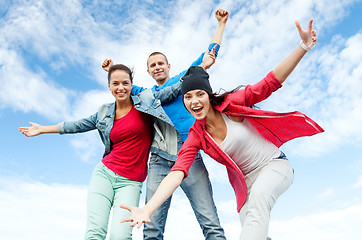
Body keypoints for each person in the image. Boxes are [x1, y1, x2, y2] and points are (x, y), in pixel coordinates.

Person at [119, 19, 324, 240]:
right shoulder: (196, 135)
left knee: (257, 207)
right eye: (187, 97)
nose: (194, 101)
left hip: (275, 165)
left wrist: (303, 47)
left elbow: (269, 83)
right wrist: (148, 209)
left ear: (209, 94)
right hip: (245, 183)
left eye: (199, 94)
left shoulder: (232, 104)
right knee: (254, 228)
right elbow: (177, 173)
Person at [18, 59, 211, 240]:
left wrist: (201, 68)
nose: (121, 88)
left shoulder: (146, 102)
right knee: (95, 232)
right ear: (109, 86)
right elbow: (76, 125)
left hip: (131, 181)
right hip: (104, 174)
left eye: (125, 83)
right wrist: (43, 129)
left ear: (131, 84)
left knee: (120, 235)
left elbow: (173, 90)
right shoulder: (104, 112)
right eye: (116, 84)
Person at [102, 8, 229, 240]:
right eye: (153, 65)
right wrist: (111, 69)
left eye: (161, 63)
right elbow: (123, 87)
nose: (157, 66)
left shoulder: (185, 80)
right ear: (149, 72)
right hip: (159, 160)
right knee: (150, 226)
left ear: (168, 66)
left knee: (210, 222)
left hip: (189, 155)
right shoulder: (145, 94)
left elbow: (210, 54)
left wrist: (220, 25)